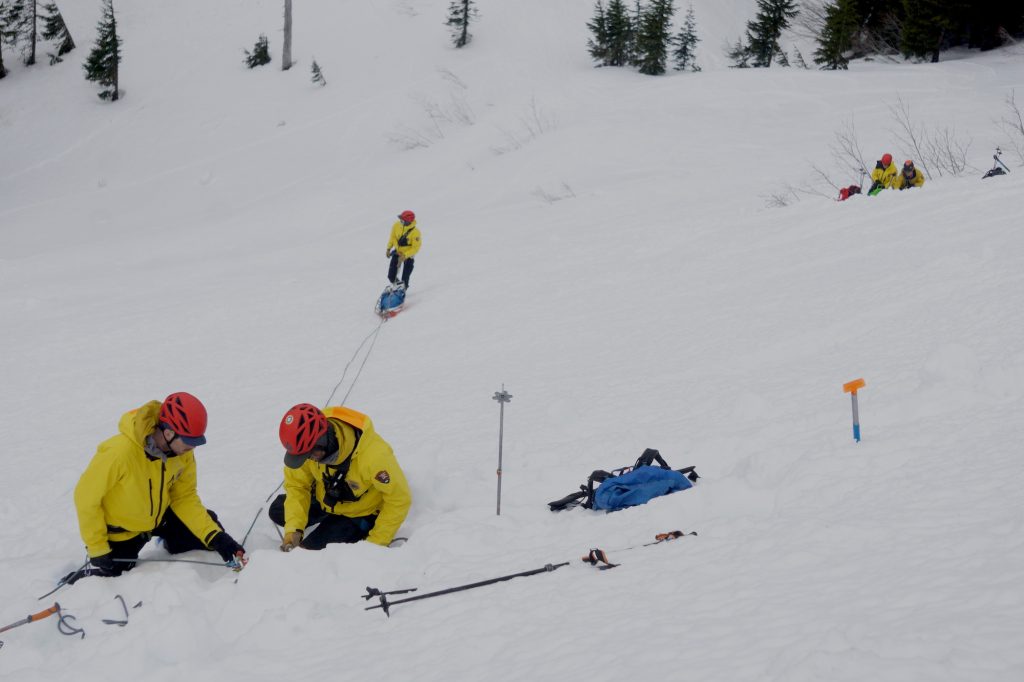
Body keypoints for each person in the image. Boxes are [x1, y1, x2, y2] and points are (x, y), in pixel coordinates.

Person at [73, 392, 247, 578]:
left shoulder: (182, 452)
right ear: (169, 433)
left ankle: (171, 540)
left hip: (159, 516)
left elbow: (184, 496)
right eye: (189, 442)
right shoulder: (119, 453)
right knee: (111, 575)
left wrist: (216, 537)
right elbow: (85, 499)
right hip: (124, 530)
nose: (192, 448)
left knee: (211, 532)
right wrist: (97, 548)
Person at [270, 403, 411, 551]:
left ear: (322, 441)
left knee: (309, 552)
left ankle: (344, 529)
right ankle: (325, 522)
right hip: (327, 500)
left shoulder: (374, 456)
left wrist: (375, 543)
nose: (308, 459)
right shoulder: (307, 445)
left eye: (309, 455)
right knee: (277, 511)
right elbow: (297, 485)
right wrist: (293, 529)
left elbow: (399, 499)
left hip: (359, 513)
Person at [385, 210, 422, 290]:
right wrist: (388, 248)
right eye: (400, 219)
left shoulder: (416, 233)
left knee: (405, 277)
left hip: (408, 255)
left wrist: (405, 255)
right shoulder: (396, 225)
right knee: (391, 276)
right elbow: (392, 237)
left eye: (402, 220)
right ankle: (397, 286)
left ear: (408, 221)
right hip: (398, 252)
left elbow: (416, 247)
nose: (400, 221)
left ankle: (403, 289)